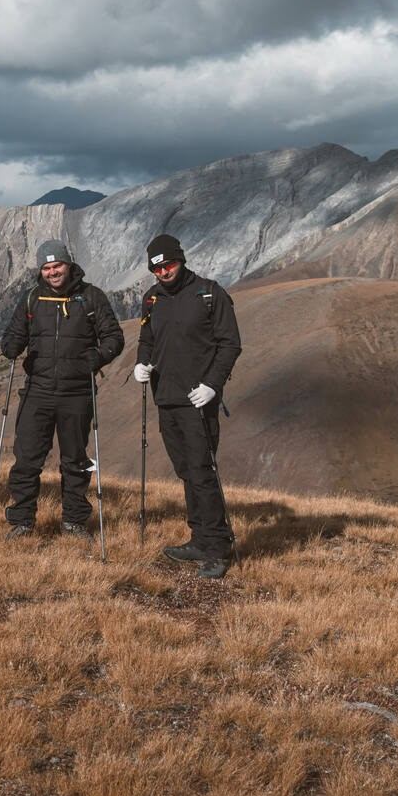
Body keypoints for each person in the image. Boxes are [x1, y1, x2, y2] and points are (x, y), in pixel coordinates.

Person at [0, 239, 125, 538]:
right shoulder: (31, 299)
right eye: (46, 267)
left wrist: (99, 356)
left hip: (77, 393)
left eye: (57, 266)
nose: (53, 272)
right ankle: (22, 520)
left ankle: (74, 521)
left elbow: (113, 337)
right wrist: (11, 347)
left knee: (75, 461)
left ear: (69, 265)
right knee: (27, 458)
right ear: (40, 270)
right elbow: (12, 336)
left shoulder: (91, 298)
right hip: (37, 391)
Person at [134, 233, 241, 579]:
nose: (164, 272)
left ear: (181, 260)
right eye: (157, 268)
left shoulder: (210, 294)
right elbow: (147, 339)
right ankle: (199, 537)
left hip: (198, 401)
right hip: (165, 398)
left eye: (169, 264)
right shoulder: (152, 299)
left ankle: (216, 547)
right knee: (185, 471)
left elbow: (230, 344)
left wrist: (213, 385)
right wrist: (141, 363)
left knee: (202, 471)